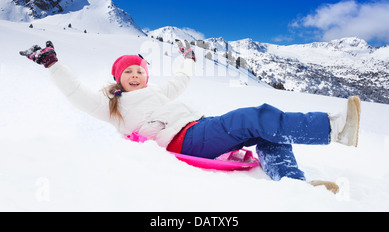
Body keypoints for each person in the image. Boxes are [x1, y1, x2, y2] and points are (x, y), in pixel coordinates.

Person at [19, 40, 361, 193]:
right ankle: (333, 128)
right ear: (118, 78)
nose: (135, 76)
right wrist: (53, 64)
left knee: (267, 132)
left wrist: (189, 58)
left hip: (199, 129)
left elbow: (181, 80)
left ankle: (294, 184)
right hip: (187, 138)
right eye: (128, 73)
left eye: (139, 71)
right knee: (255, 116)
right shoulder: (112, 106)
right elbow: (76, 94)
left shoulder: (155, 92)